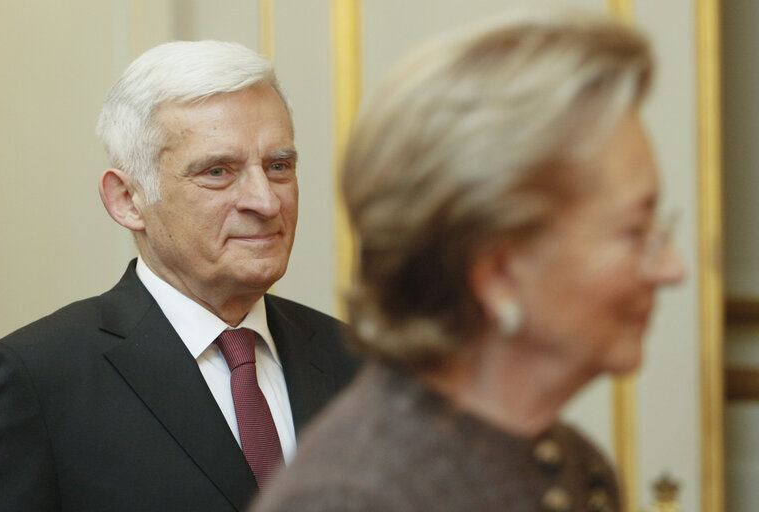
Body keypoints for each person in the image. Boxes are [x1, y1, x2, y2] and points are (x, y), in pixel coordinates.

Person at [250, 7, 685, 512]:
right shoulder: (352, 497)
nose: (673, 268)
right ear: (498, 272)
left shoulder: (575, 467)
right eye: (635, 232)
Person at [0, 40, 358, 512]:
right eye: (218, 172)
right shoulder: (38, 380)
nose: (266, 202)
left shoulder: (358, 363)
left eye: (279, 166)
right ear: (127, 199)